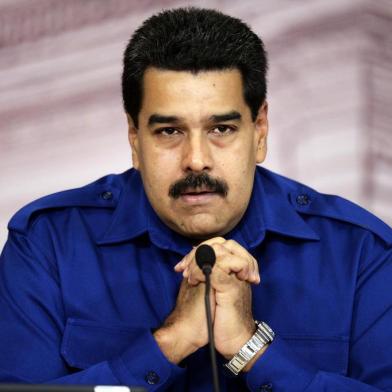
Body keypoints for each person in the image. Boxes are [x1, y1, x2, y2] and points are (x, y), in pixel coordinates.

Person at [0, 6, 391, 391]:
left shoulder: (360, 253)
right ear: (135, 139)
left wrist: (251, 350)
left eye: (221, 128)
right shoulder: (48, 244)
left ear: (260, 131)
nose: (196, 160)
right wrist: (169, 343)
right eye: (169, 131)